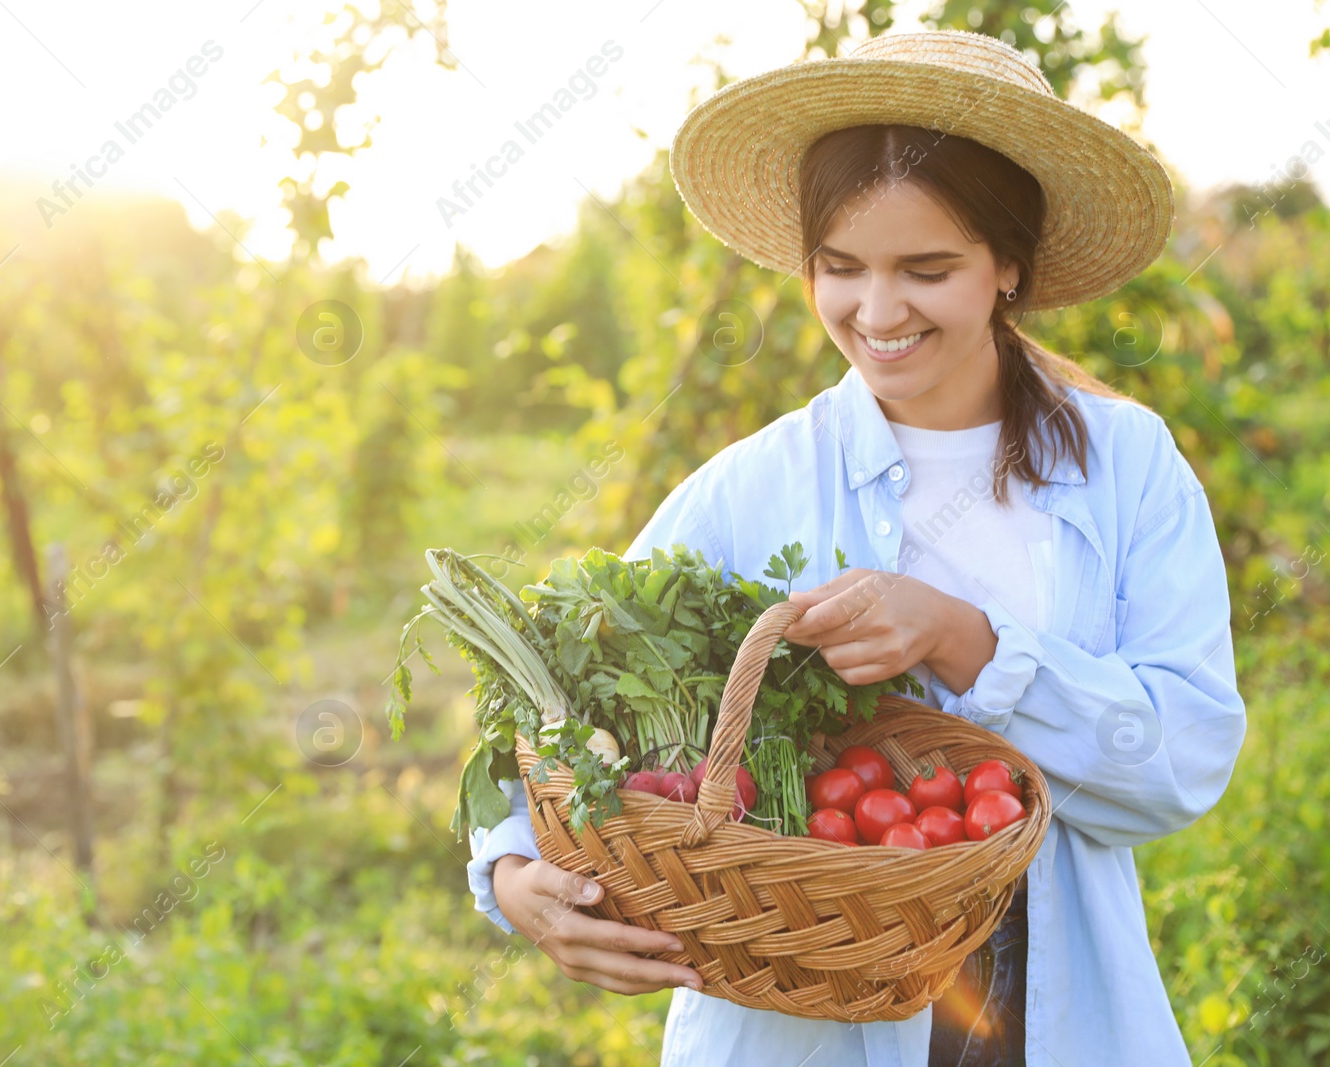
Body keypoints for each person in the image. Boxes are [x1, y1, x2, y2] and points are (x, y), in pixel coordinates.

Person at [466, 28, 1246, 1067]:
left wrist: (966, 638)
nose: (877, 314)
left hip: (1052, 1009)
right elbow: (559, 702)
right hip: (799, 1010)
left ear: (1008, 263)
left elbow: (1180, 763)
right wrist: (515, 875)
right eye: (840, 269)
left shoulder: (1125, 465)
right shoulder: (750, 486)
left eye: (926, 269)